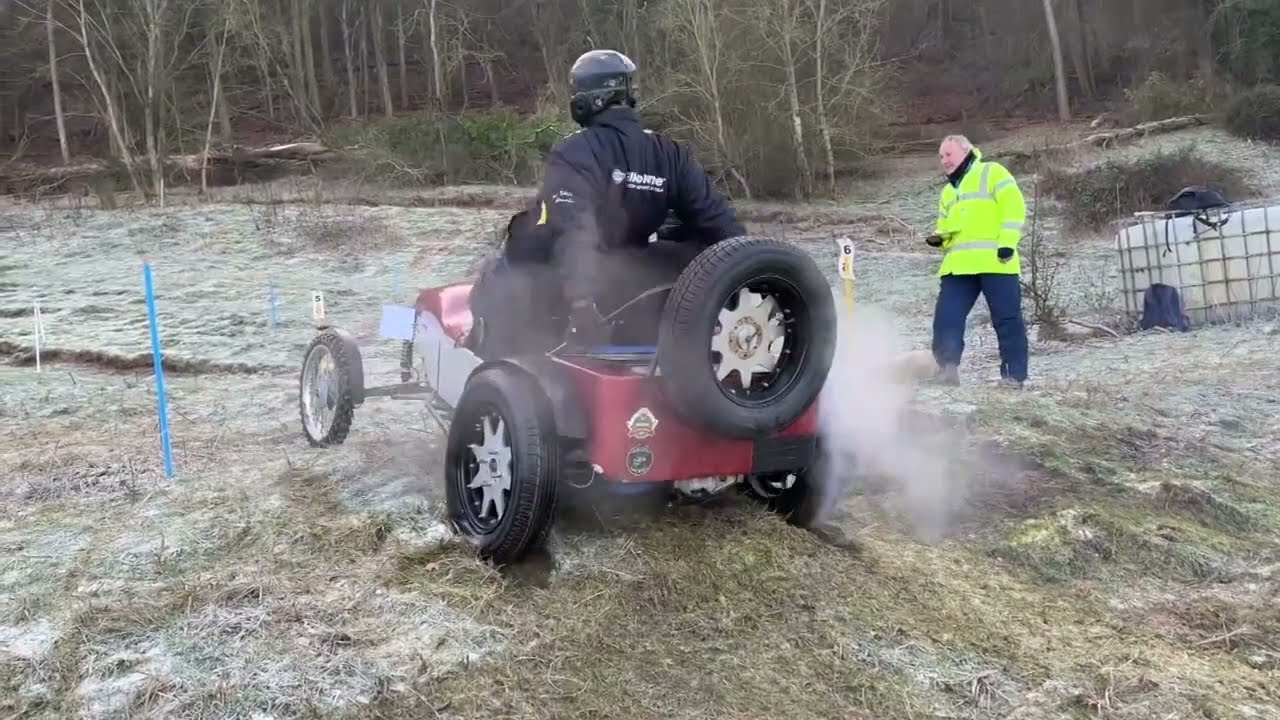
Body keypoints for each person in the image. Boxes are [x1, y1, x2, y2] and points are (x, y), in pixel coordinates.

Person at [467, 49, 745, 358]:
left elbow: (574, 230)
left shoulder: (575, 152)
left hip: (582, 285)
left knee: (503, 261)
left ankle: (485, 352)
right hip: (632, 276)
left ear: (587, 99)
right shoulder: (672, 154)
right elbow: (723, 229)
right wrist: (753, 286)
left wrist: (582, 303)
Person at [923, 134, 1029, 388]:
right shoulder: (948, 191)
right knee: (946, 318)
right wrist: (941, 238)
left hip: (996, 262)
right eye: (941, 156)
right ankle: (947, 370)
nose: (944, 160)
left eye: (949, 154)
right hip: (959, 267)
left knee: (1007, 320)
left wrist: (1007, 242)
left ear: (966, 151)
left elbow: (1014, 206)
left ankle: (1013, 377)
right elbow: (946, 226)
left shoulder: (992, 172)